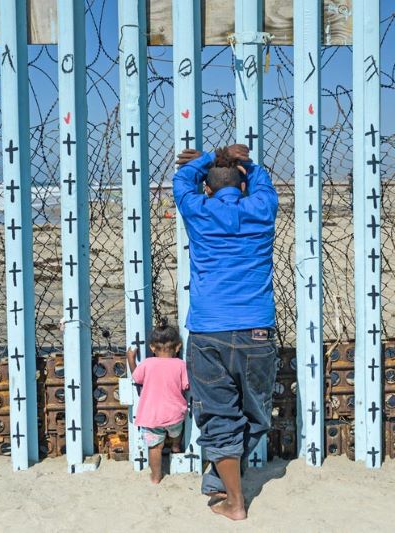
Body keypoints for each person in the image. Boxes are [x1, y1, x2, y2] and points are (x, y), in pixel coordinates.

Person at [173, 144, 279, 520]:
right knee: (257, 414)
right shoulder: (263, 208)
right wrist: (240, 162)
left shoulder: (198, 210)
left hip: (208, 330)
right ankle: (224, 475)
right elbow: (262, 180)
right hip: (257, 330)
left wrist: (205, 160)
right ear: (244, 184)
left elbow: (181, 180)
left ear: (207, 187)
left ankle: (232, 498)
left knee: (219, 416)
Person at [126, 319, 189, 484]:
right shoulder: (181, 365)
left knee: (155, 447)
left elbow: (136, 377)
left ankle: (155, 477)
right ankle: (175, 446)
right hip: (174, 414)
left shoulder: (147, 363)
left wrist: (131, 359)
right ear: (178, 347)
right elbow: (186, 385)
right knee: (177, 433)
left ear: (152, 347)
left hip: (152, 416)